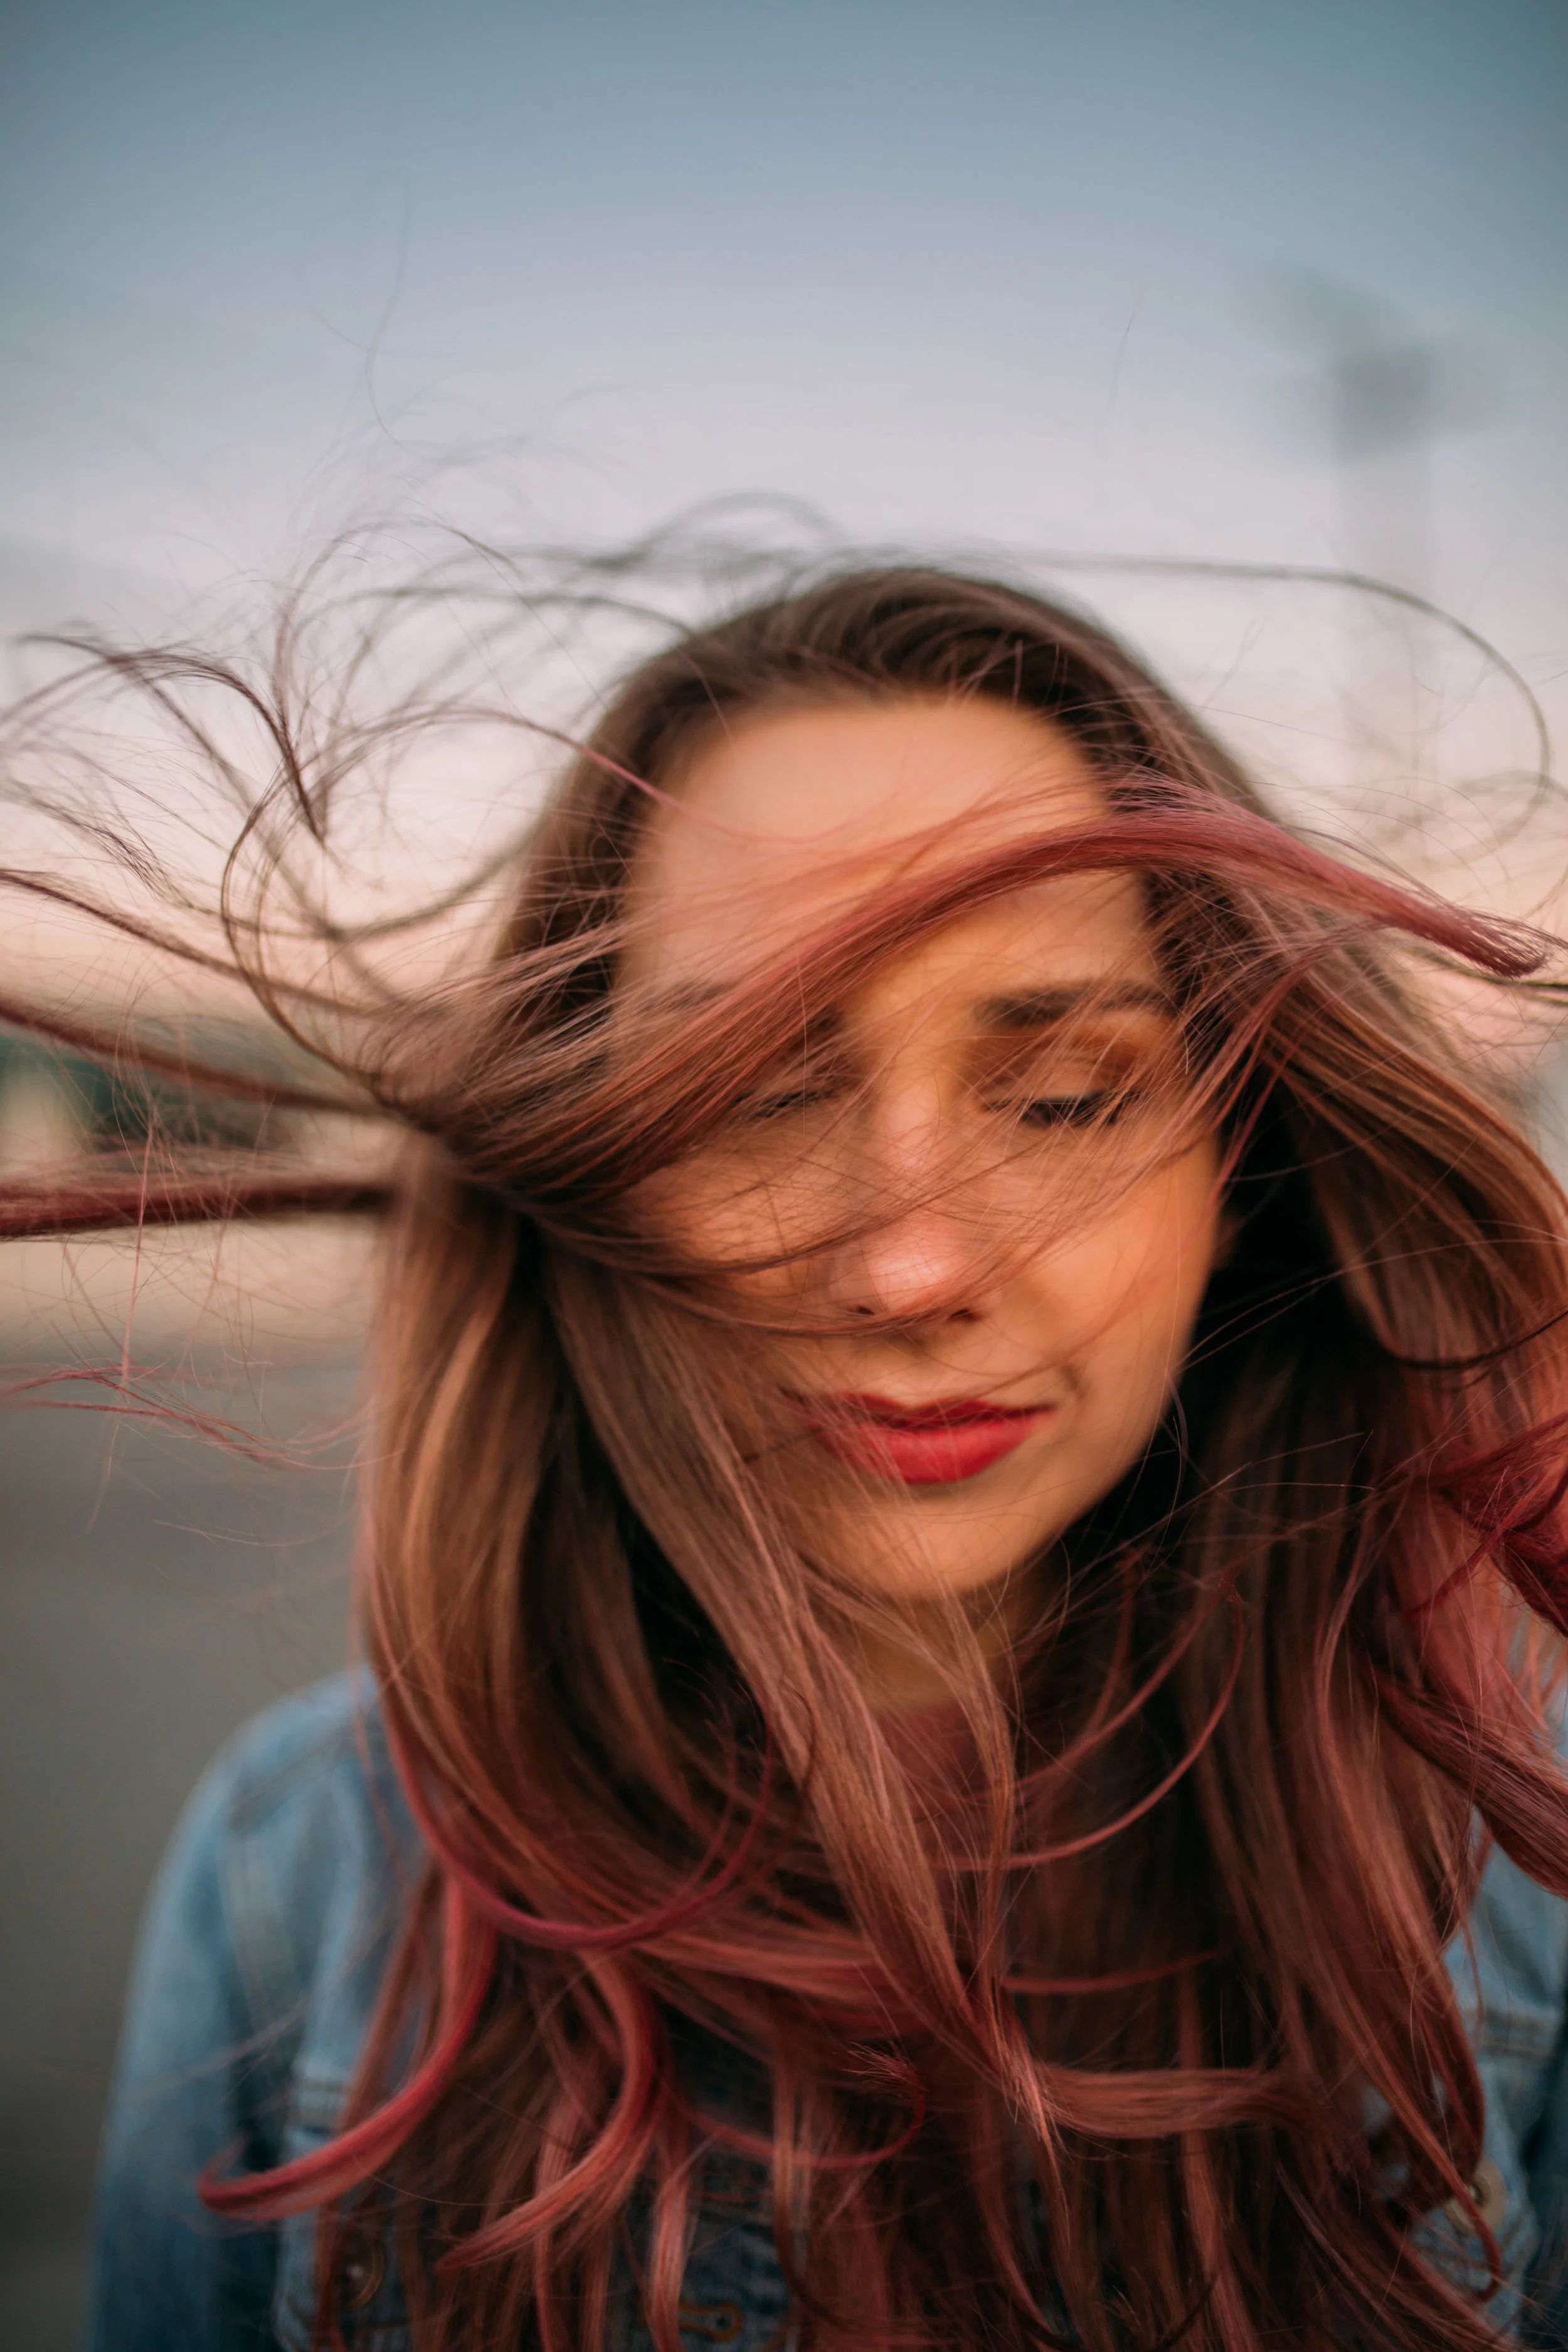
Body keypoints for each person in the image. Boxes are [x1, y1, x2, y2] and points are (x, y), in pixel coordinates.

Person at [23, 563, 1568, 2349]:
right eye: (753, 1088)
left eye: (1064, 1093)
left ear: (1243, 1173)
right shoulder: (298, 1867)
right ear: (592, 1168)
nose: (910, 1265)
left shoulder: (1509, 1863)